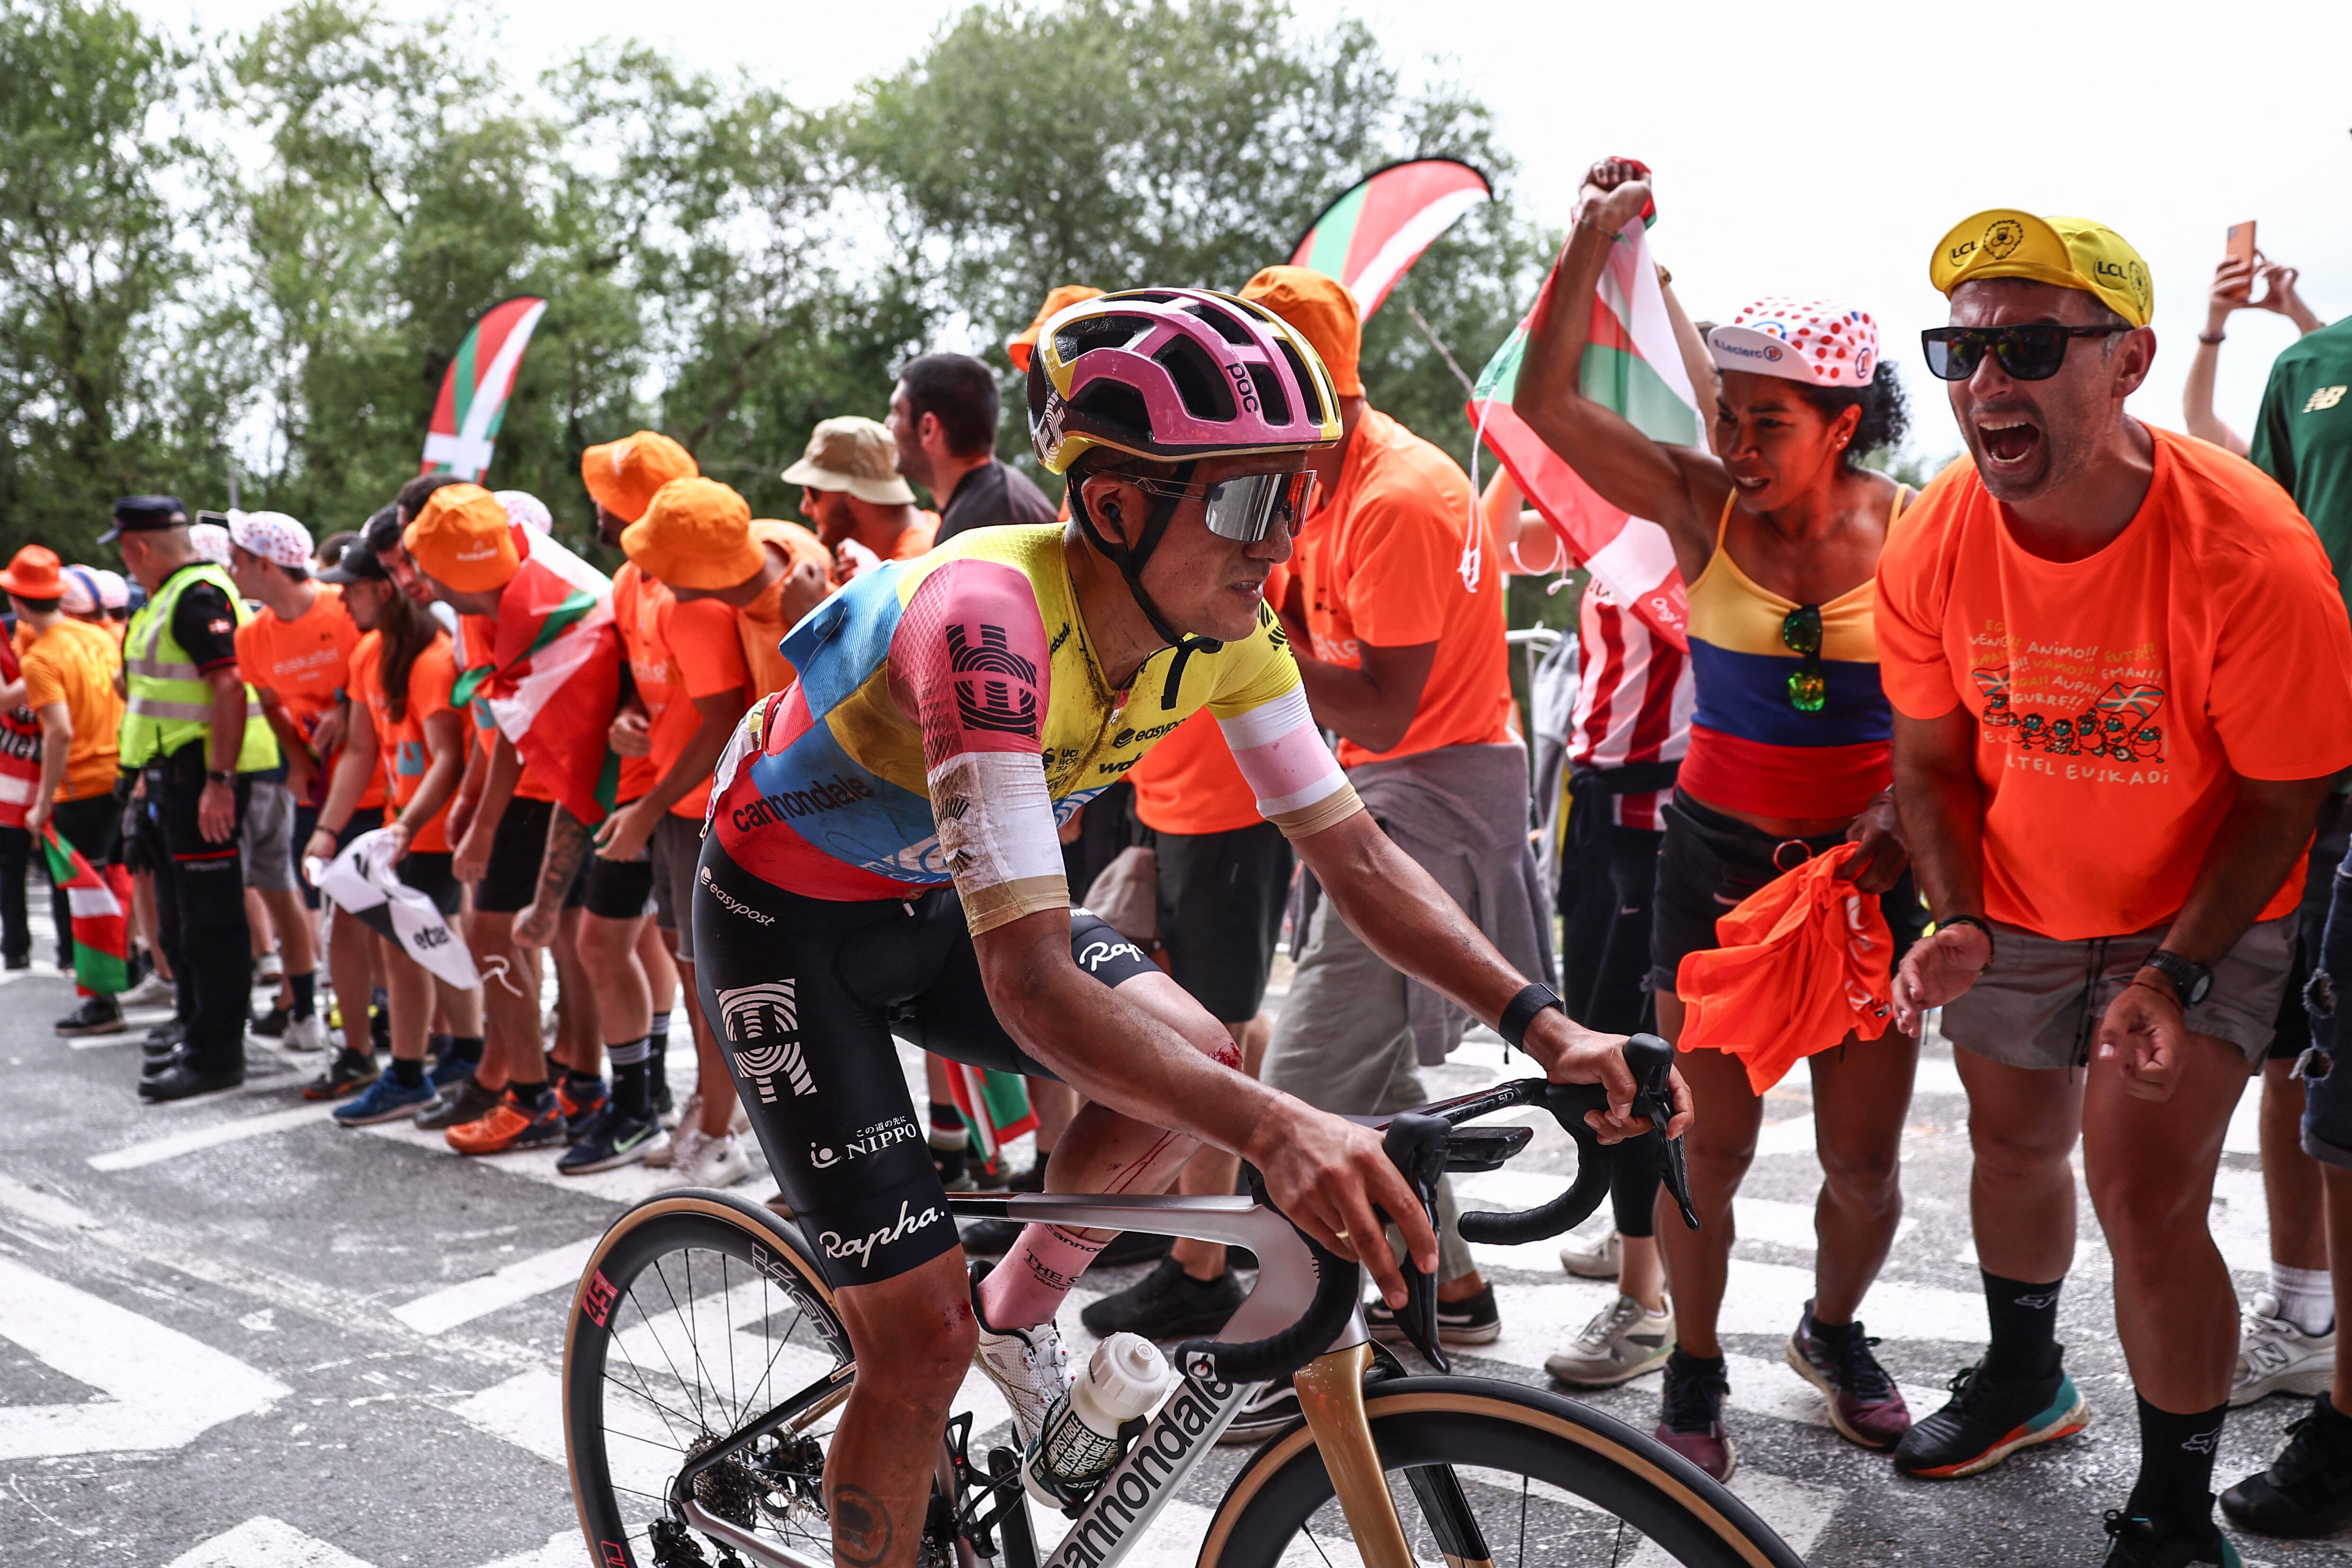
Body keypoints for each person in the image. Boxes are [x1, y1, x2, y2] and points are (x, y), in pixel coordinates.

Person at [690, 284, 1682, 1565]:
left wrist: (1543, 1022)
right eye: (1247, 502)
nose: (1278, 543)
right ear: (1112, 506)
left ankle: (1020, 1311)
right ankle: (953, 1346)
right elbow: (1036, 987)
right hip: (788, 917)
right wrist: (1283, 1130)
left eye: (1297, 495)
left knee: (1202, 1056)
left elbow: (1360, 854)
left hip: (933, 886)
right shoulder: (986, 619)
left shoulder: (1223, 626)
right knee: (915, 1341)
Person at [1880, 207, 2352, 1566]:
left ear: (2127, 359)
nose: (1985, 383)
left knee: (2142, 1193)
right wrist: (1955, 911)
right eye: (1959, 351)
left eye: (2029, 344)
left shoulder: (2250, 553)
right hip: (2016, 894)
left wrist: (2174, 973)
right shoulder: (1931, 535)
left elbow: (2280, 800)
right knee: (2011, 1142)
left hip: (2196, 906)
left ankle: (2170, 1509)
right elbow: (1925, 756)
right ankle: (2026, 1375)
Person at [1511, 158, 1923, 1480]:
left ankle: (1833, 1330)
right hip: (1715, 870)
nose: (1735, 447)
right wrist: (1588, 244)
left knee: (1861, 1165)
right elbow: (1545, 403)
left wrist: (1903, 807)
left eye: (1767, 425)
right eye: (1727, 418)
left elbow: (1962, 713)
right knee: (1710, 1142)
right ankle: (1692, 1361)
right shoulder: (1699, 503)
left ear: (1843, 421)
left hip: (1863, 888)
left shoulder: (1916, 533)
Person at [1239, 263, 1551, 1367]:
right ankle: (1449, 1286)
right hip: (1382, 783)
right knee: (1370, 1075)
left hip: (1432, 787)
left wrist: (1244, 642)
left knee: (1302, 1094)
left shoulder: (1399, 498)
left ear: (1299, 384)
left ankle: (1289, 1346)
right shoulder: (1317, 484)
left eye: (1243, 381)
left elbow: (1384, 699)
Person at [1487, 474, 1697, 1389]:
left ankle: (1648, 1301)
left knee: (1635, 1060)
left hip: (1660, 826)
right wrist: (1511, 446)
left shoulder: (1694, 528)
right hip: (1598, 810)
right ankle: (1633, 1244)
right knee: (1597, 1040)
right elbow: (1499, 547)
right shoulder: (1615, 522)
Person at [2220, 252, 2352, 1537]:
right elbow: (2271, 562)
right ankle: (2302, 1309)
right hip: (2324, 787)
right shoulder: (2309, 374)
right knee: (2305, 1064)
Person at [301, 540, 487, 1125]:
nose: (341, 598)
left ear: (384, 590)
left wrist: (408, 826)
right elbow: (359, 750)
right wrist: (327, 828)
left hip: (430, 830)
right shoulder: (369, 653)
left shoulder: (432, 657)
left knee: (413, 949)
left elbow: (446, 758)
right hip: (401, 827)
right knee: (426, 945)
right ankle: (463, 1053)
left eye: (351, 588)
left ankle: (411, 1072)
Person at [109, 495, 281, 1101]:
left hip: (202, 775)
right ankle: (198, 1028)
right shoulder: (176, 595)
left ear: (139, 548)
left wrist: (220, 782)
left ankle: (216, 1055)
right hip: (176, 773)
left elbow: (229, 688)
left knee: (212, 920)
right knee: (189, 915)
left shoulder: (195, 596)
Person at [224, 510, 340, 1056]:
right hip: (315, 779)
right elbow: (270, 703)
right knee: (318, 897)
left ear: (265, 565)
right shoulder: (253, 635)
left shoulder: (344, 610)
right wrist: (296, 757)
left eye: (237, 556)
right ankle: (312, 1012)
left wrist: (350, 714)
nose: (229, 566)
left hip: (378, 779)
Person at [0, 546, 127, 1033]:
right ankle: (117, 979)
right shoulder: (95, 636)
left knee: (85, 897)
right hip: (119, 777)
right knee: (114, 887)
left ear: (18, 602)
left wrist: (38, 804)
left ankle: (101, 1001)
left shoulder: (41, 657)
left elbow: (59, 731)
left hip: (80, 789)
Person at [888, 352, 1056, 541]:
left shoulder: (984, 525)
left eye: (896, 413)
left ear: (928, 428)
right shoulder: (993, 500)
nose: (888, 424)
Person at [2183, 255, 2328, 457]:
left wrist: (2302, 317)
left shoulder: (2322, 455)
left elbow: (2337, 370)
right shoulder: (2266, 466)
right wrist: (2214, 324)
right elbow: (2199, 422)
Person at [785, 415, 939, 574]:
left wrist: (817, 599)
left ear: (853, 494)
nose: (804, 508)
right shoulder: (933, 530)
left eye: (811, 492)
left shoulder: (912, 575)